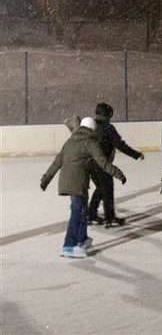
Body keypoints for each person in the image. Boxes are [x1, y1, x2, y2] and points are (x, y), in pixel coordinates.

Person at [40, 116, 127, 258]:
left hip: (68, 180)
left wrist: (46, 179)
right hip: (77, 182)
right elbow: (103, 163)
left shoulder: (69, 142)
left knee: (82, 210)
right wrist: (118, 174)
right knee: (77, 212)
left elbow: (57, 162)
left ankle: (82, 239)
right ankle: (69, 245)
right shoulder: (90, 143)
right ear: (93, 129)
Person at [87, 102, 145, 227]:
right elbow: (120, 145)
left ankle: (91, 214)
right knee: (107, 189)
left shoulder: (91, 127)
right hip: (101, 164)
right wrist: (136, 155)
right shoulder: (108, 128)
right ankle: (109, 217)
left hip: (89, 163)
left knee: (101, 189)